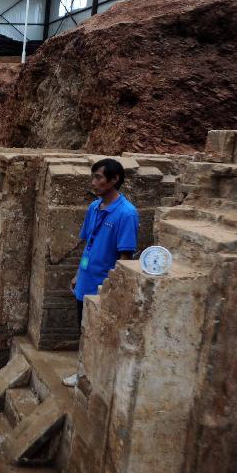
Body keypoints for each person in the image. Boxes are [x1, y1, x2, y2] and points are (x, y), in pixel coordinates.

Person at [65, 158, 138, 386]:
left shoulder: (126, 214)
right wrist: (79, 273)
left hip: (103, 286)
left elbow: (125, 257)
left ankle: (92, 377)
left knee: (99, 334)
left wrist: (113, 288)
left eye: (98, 177)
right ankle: (83, 373)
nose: (93, 182)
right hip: (86, 280)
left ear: (114, 180)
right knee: (84, 330)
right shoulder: (94, 207)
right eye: (93, 176)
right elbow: (88, 245)